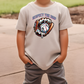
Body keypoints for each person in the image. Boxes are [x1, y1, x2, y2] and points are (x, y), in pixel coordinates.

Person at [16, 0, 73, 84]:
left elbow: (63, 33)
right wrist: (22, 55)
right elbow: (21, 33)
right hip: (32, 60)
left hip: (55, 59)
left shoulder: (61, 9)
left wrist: (63, 54)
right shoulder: (25, 10)